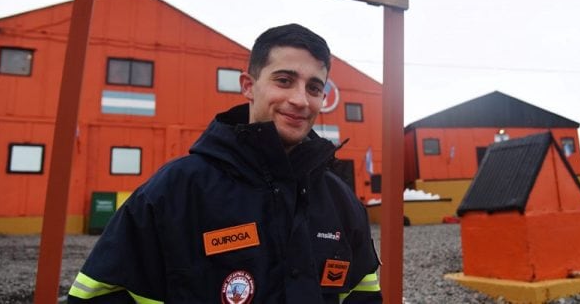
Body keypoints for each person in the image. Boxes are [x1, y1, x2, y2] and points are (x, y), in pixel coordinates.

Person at [68, 24, 382, 303]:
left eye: (314, 87)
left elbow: (363, 292)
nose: (300, 99)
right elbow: (99, 294)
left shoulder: (340, 201)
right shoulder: (176, 191)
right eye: (284, 80)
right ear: (248, 85)